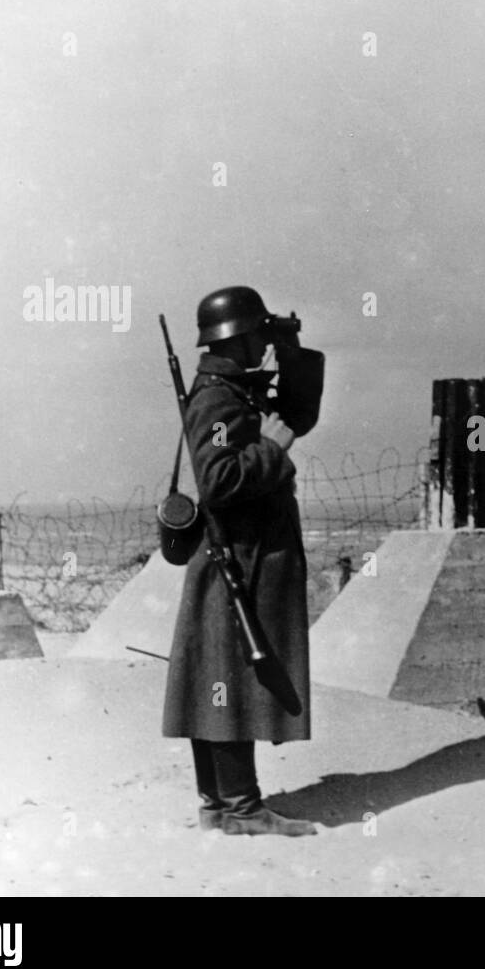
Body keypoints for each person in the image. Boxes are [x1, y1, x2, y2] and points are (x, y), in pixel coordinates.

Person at [163, 285, 320, 836]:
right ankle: (243, 809)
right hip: (238, 559)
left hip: (239, 555)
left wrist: (291, 347)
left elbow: (298, 413)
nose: (263, 347)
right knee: (232, 680)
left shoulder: (234, 389)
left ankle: (219, 805)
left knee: (217, 679)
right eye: (259, 335)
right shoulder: (218, 400)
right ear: (240, 336)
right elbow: (219, 480)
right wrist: (271, 451)